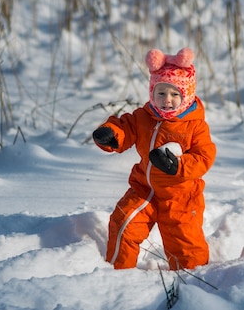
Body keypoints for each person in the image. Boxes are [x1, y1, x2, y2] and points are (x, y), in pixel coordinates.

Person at [92, 47, 216, 270]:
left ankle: (194, 284)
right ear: (152, 92)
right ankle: (116, 273)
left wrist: (177, 165)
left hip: (181, 197)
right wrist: (111, 135)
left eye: (174, 94)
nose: (167, 100)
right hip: (144, 188)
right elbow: (125, 128)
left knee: (186, 245)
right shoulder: (144, 116)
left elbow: (204, 156)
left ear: (186, 95)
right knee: (123, 224)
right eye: (161, 93)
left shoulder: (194, 125)